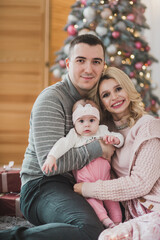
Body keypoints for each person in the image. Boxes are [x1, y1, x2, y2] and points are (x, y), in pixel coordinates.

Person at [0, 34, 115, 240]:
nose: (89, 69)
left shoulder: (100, 99)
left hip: (81, 186)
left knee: (113, 225)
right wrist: (99, 148)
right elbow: (51, 163)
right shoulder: (51, 99)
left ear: (103, 66)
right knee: (90, 230)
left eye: (96, 62)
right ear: (68, 63)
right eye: (81, 60)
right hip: (41, 185)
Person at [74, 67, 160, 240]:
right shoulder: (105, 132)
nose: (114, 97)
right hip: (128, 212)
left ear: (127, 88)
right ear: (101, 103)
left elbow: (140, 183)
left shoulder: (148, 125)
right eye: (106, 95)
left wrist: (88, 189)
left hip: (154, 207)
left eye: (118, 89)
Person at [42, 98, 123, 228]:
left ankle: (118, 221)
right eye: (81, 121)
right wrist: (52, 156)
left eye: (92, 120)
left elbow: (119, 137)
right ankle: (106, 221)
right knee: (93, 201)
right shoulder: (74, 135)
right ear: (75, 123)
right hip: (86, 182)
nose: (87, 125)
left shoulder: (102, 130)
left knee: (112, 198)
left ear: (98, 121)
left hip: (106, 178)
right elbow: (62, 144)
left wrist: (116, 139)